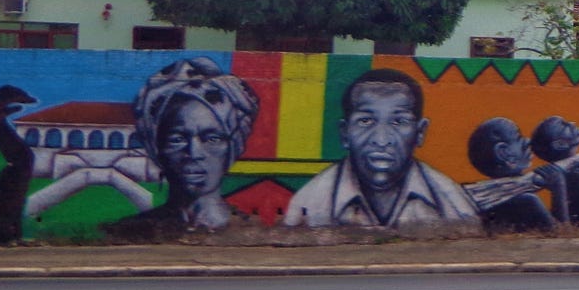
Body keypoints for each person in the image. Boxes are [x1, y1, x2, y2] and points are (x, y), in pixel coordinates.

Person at [284, 68, 479, 229]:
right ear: (345, 133)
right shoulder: (307, 205)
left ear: (420, 133)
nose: (381, 140)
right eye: (366, 121)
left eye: (398, 121)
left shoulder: (454, 205)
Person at [105, 58, 259, 241]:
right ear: (157, 148)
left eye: (212, 139)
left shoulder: (248, 230)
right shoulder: (127, 232)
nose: (194, 153)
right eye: (177, 139)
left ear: (234, 147)